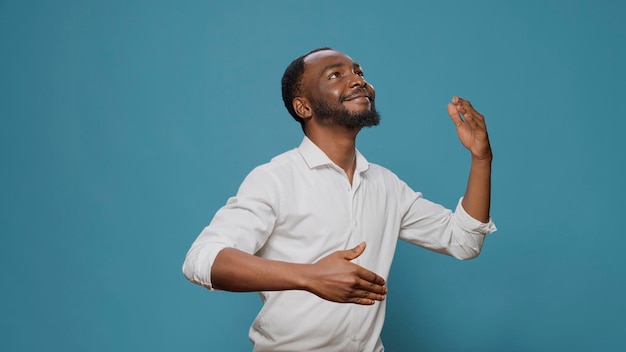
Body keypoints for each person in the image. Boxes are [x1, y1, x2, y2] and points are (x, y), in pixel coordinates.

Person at [182, 47, 496, 352]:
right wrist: (309, 276)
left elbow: (464, 241)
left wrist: (481, 158)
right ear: (303, 107)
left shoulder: (386, 185)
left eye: (359, 72)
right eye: (335, 74)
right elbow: (202, 260)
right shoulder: (275, 178)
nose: (358, 80)